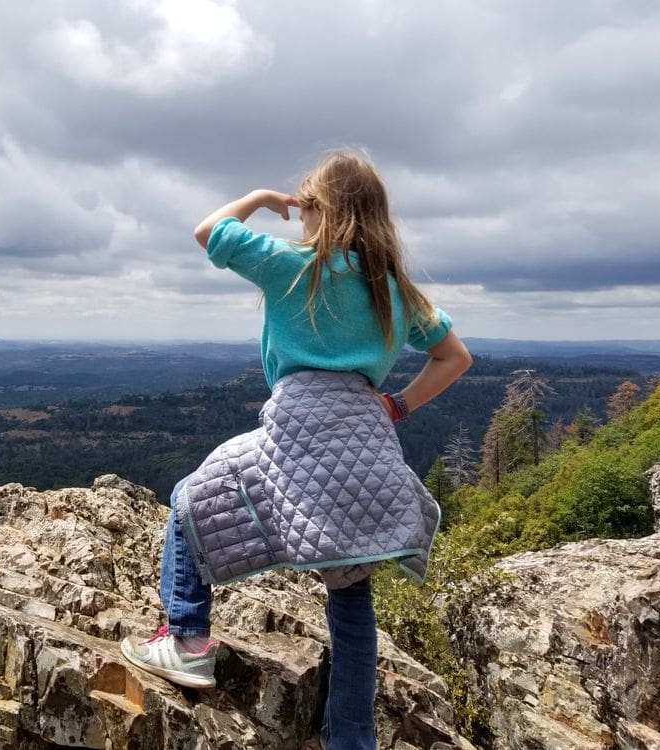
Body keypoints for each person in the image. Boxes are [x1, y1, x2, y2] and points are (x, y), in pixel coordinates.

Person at [121, 150, 472, 749]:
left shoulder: (293, 266)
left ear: (320, 208)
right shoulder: (392, 289)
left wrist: (261, 197)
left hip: (300, 423)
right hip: (366, 432)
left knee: (187, 498)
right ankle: (352, 739)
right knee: (351, 586)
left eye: (307, 203)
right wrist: (398, 405)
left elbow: (208, 230)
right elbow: (455, 358)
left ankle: (185, 641)